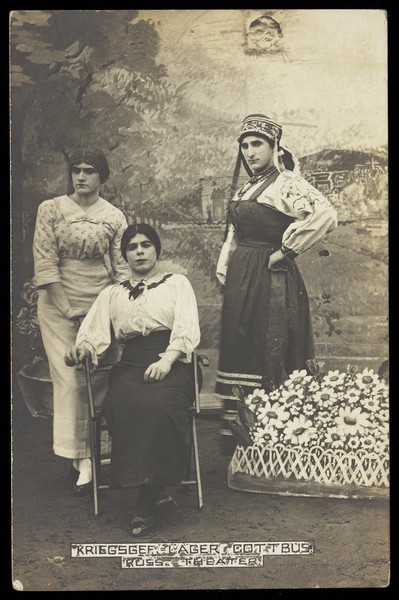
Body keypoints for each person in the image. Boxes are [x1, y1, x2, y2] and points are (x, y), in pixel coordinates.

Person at [64, 223, 201, 536]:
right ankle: (158, 487)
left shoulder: (176, 283)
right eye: (132, 247)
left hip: (174, 360)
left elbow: (186, 327)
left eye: (146, 245)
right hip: (132, 364)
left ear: (156, 250)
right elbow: (94, 334)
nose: (139, 251)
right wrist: (80, 351)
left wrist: (167, 360)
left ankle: (146, 500)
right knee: (121, 402)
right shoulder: (113, 293)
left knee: (162, 404)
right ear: (124, 255)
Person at [215, 114, 337, 449]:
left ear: (274, 147)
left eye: (257, 144)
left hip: (272, 278)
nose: (250, 151)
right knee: (242, 345)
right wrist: (226, 269)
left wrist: (284, 251)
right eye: (245, 145)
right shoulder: (247, 186)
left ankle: (274, 436)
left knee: (272, 345)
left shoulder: (286, 182)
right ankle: (242, 436)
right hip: (243, 277)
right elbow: (234, 233)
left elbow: (325, 214)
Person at [33, 147, 130, 495]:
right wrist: (68, 308)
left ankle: (94, 452)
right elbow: (45, 265)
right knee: (73, 381)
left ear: (102, 176)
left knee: (98, 379)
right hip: (58, 305)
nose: (82, 176)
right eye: (77, 170)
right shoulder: (51, 209)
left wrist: (115, 309)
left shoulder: (114, 216)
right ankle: (82, 458)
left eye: (90, 170)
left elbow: (121, 269)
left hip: (100, 301)